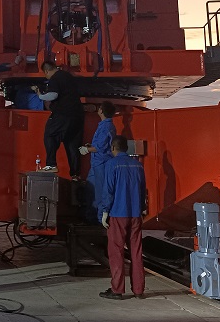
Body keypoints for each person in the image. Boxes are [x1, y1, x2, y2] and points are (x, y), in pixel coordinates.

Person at [98, 135, 147, 300]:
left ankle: (117, 290)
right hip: (135, 214)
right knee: (136, 252)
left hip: (118, 214)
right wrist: (142, 209)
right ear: (126, 148)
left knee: (116, 252)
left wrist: (104, 212)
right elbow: (142, 191)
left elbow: (108, 191)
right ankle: (139, 290)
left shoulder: (112, 164)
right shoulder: (138, 165)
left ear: (113, 148)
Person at [33, 62, 85, 178]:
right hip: (77, 115)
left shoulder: (55, 78)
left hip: (63, 113)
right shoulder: (68, 76)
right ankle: (75, 175)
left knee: (50, 134)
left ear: (46, 71)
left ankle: (51, 164)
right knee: (72, 144)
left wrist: (40, 95)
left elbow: (53, 95)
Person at [80, 102, 117, 219]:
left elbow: (100, 147)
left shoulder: (105, 127)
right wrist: (90, 146)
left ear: (101, 111)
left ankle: (100, 218)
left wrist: (87, 149)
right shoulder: (105, 125)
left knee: (100, 191)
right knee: (91, 189)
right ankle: (92, 215)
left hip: (101, 162)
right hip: (97, 162)